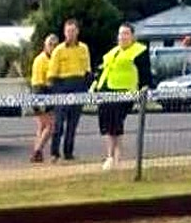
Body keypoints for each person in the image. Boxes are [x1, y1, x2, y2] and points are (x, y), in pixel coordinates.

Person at [92, 23, 153, 171]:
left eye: (126, 33)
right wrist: (95, 85)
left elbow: (145, 74)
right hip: (106, 92)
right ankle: (110, 156)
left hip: (125, 92)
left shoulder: (140, 51)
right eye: (120, 34)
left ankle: (115, 157)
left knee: (116, 124)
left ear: (132, 36)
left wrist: (144, 90)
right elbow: (103, 70)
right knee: (108, 126)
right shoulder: (113, 52)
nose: (122, 37)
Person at [47, 19, 91, 163]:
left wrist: (85, 86)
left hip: (79, 85)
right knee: (59, 123)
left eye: (73, 31)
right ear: (64, 33)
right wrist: (57, 90)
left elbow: (87, 70)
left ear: (77, 31)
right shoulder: (59, 50)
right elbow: (52, 74)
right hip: (63, 86)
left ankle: (68, 152)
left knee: (73, 123)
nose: (70, 34)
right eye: (68, 31)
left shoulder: (84, 48)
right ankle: (54, 153)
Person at [30, 34, 58, 163]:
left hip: (48, 92)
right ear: (45, 46)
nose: (52, 47)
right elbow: (41, 82)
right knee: (50, 126)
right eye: (50, 44)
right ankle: (38, 150)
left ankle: (37, 152)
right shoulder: (40, 60)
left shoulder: (55, 59)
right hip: (41, 92)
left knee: (41, 126)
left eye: (55, 45)